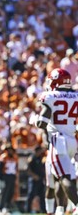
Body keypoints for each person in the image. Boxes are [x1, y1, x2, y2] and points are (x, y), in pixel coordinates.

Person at [30, 68, 78, 215]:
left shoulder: (50, 96)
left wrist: (35, 121)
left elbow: (43, 122)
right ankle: (59, 210)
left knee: (63, 177)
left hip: (58, 140)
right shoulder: (76, 96)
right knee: (64, 176)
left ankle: (75, 206)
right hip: (72, 140)